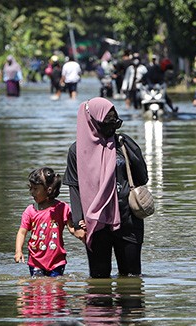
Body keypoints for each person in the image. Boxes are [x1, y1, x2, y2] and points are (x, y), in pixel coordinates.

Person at [64, 97, 149, 278]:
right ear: (92, 121)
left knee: (132, 279)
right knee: (99, 279)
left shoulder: (124, 144)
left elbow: (142, 178)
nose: (111, 125)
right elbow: (74, 187)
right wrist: (79, 223)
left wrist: (132, 153)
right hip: (95, 224)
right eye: (107, 120)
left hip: (128, 221)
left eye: (114, 120)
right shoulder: (76, 151)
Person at [15, 168, 78, 277]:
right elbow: (22, 232)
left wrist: (82, 233)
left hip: (57, 261)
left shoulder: (62, 208)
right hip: (36, 261)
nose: (32, 192)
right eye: (31, 188)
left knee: (55, 287)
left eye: (35, 189)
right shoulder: (30, 210)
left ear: (48, 190)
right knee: (37, 287)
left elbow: (72, 228)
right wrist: (18, 251)